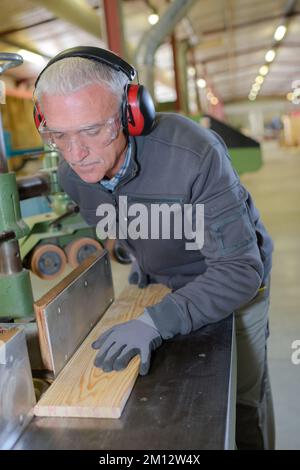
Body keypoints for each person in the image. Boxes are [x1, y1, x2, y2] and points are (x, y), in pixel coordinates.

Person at [33, 46, 275, 449]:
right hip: (161, 283)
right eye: (59, 135)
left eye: (92, 130)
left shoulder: (195, 154)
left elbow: (239, 271)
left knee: (242, 403)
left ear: (132, 114)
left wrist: (154, 322)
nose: (76, 154)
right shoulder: (73, 175)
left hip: (236, 287)